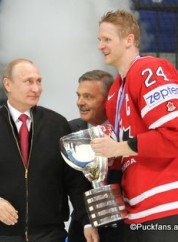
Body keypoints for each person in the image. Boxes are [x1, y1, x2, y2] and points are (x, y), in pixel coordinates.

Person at [90, 10, 178, 242]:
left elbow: (176, 136)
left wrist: (117, 149)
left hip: (171, 203)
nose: (100, 45)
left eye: (107, 39)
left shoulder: (148, 70)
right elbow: (123, 155)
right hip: (138, 210)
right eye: (99, 40)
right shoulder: (115, 92)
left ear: (129, 40)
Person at [0, 58, 98, 242]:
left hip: (51, 235)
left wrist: (87, 221)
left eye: (39, 81)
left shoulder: (58, 125)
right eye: (28, 81)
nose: (36, 88)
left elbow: (74, 180)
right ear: (8, 84)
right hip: (2, 235)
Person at [68, 69, 124, 242]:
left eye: (88, 97)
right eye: (79, 95)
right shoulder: (70, 131)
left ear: (109, 100)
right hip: (83, 227)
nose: (80, 102)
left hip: (126, 227)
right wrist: (87, 221)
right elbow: (72, 184)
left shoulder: (125, 129)